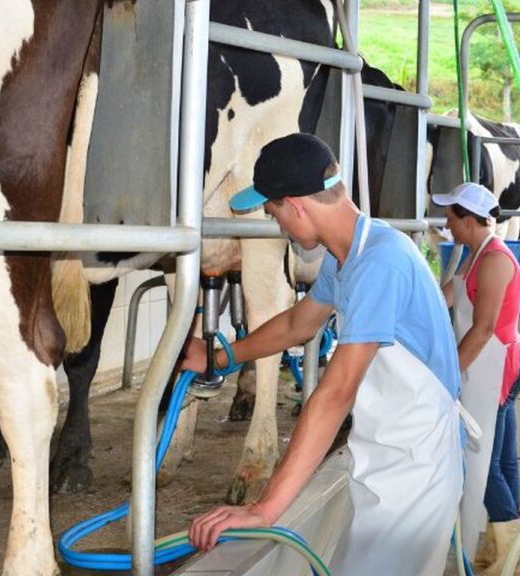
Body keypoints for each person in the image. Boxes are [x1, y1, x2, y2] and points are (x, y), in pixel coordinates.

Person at [181, 133, 464, 576]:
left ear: (295, 205)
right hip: (382, 454)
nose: (278, 227)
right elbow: (298, 324)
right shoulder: (346, 256)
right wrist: (217, 357)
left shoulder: (380, 264)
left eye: (274, 214)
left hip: (414, 468)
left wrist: (265, 509)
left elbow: (335, 396)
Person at [434, 182, 520, 574]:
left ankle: (507, 551)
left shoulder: (494, 261)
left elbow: (484, 327)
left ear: (468, 220)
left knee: (485, 466)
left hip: (497, 371)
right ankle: (506, 548)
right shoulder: (473, 256)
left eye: (451, 218)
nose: (447, 225)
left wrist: (448, 377)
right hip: (491, 369)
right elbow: (447, 297)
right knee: (502, 463)